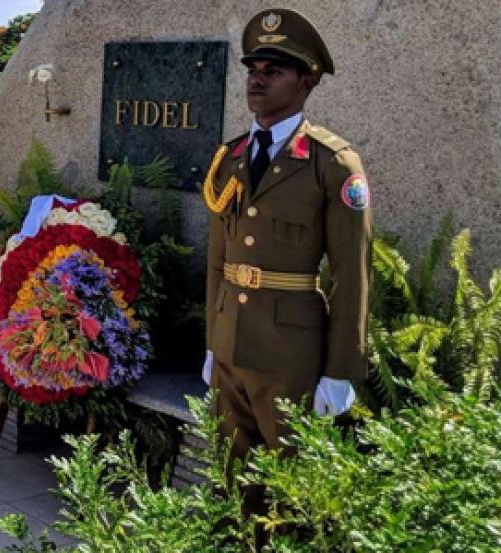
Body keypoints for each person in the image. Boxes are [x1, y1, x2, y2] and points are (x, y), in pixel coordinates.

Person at [201, 7, 371, 518]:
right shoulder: (228, 158)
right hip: (231, 346)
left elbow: (352, 275)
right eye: (254, 68)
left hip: (291, 357)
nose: (258, 78)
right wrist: (213, 343)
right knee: (231, 487)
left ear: (306, 81)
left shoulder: (331, 162)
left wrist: (341, 372)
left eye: (273, 70)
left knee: (291, 495)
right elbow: (217, 262)